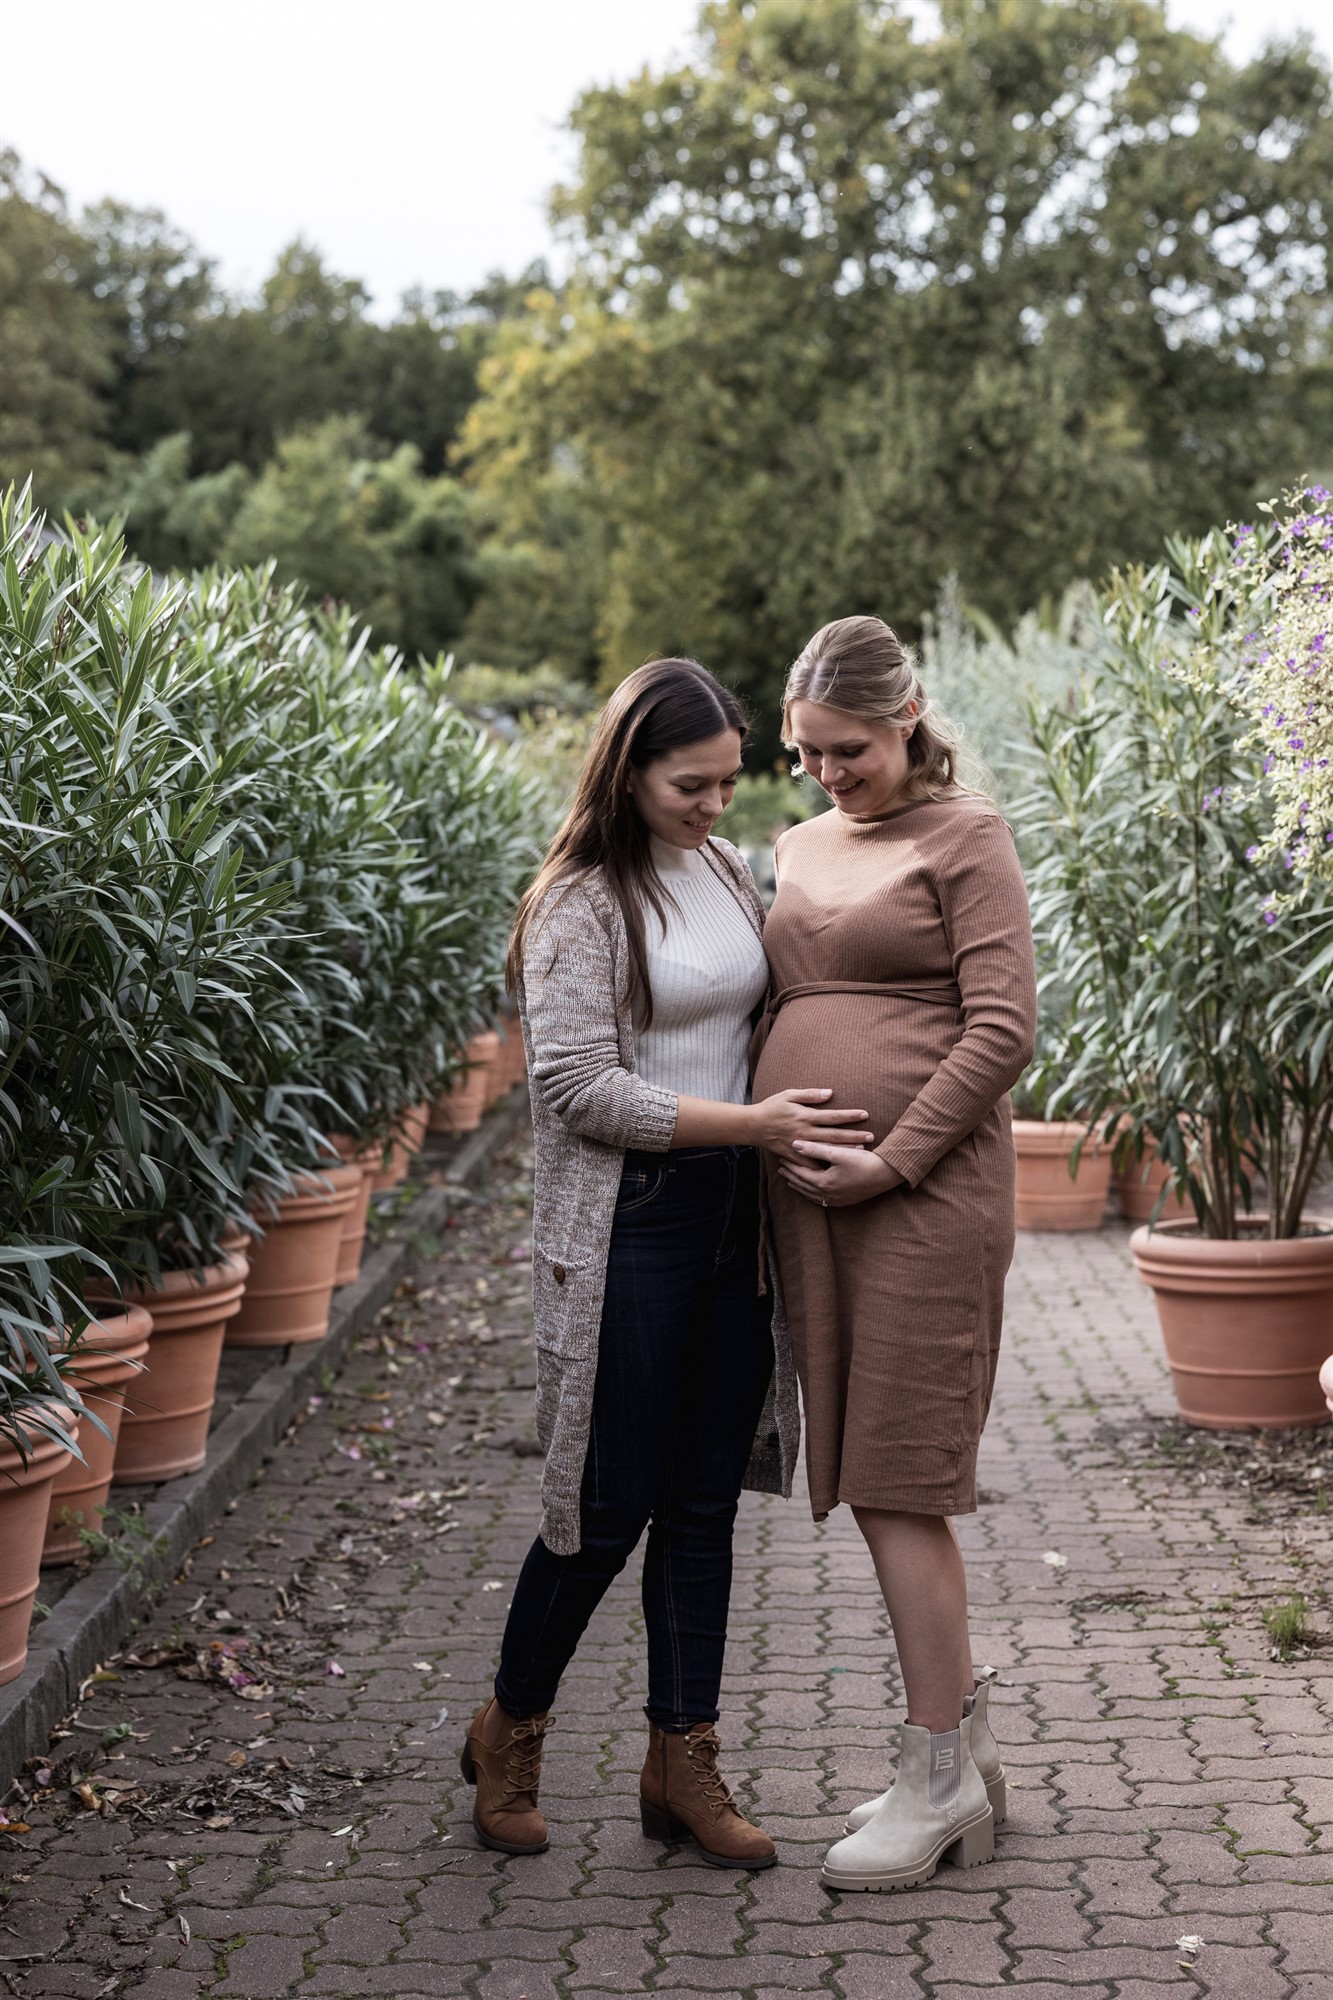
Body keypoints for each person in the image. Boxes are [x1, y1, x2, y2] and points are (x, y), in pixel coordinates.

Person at [461, 657, 874, 1869]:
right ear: (627, 770)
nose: (715, 806)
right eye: (691, 783)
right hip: (631, 1220)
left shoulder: (714, 867)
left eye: (730, 781)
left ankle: (678, 1756)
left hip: (734, 1222)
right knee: (601, 1502)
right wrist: (751, 1125)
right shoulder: (580, 901)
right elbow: (577, 1086)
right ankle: (510, 1726)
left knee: (701, 1503)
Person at [752, 615, 1037, 1893]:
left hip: (919, 1195)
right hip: (814, 1202)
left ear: (906, 718)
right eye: (806, 753)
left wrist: (893, 1156)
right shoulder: (799, 840)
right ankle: (959, 1754)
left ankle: (934, 1776)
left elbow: (1002, 1026)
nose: (826, 774)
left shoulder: (966, 836)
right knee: (870, 1466)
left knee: (899, 1472)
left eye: (847, 750)